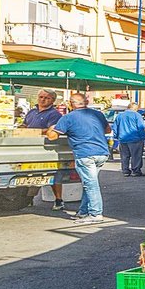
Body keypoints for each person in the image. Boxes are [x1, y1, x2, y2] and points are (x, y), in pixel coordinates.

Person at [47, 93, 111, 224]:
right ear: (85, 102)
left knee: (90, 184)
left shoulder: (68, 117)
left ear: (71, 104)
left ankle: (95, 213)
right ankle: (83, 212)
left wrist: (50, 129)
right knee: (90, 183)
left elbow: (53, 137)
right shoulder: (97, 114)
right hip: (102, 152)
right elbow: (108, 130)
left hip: (85, 153)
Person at [24, 89, 66, 211]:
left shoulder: (55, 114)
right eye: (41, 97)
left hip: (46, 147)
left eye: (46, 98)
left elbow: (52, 130)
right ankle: (27, 198)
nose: (43, 100)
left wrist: (33, 132)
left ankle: (58, 200)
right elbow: (25, 124)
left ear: (52, 100)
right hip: (27, 146)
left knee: (53, 174)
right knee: (27, 173)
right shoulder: (32, 111)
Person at [112, 100, 145, 177]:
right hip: (135, 138)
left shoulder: (119, 116)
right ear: (135, 108)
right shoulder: (137, 115)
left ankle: (125, 171)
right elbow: (141, 127)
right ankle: (136, 171)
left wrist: (116, 136)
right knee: (136, 156)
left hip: (122, 139)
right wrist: (143, 137)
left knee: (124, 156)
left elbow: (115, 128)